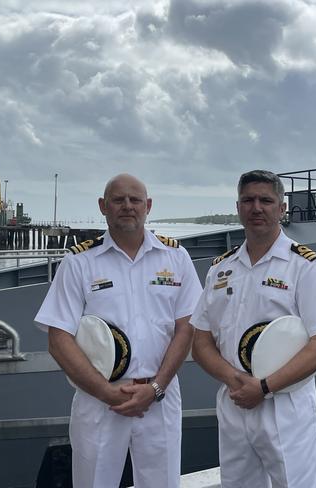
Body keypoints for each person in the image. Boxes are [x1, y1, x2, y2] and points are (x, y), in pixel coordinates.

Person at [34, 173, 202, 488]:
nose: (127, 206)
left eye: (135, 200)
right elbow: (59, 338)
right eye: (118, 200)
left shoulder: (175, 257)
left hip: (159, 396)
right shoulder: (79, 262)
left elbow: (186, 327)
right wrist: (106, 392)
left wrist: (155, 388)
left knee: (162, 483)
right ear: (103, 206)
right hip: (99, 399)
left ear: (148, 206)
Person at [191, 169, 316, 487]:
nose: (256, 208)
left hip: (284, 405)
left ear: (282, 208)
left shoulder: (304, 266)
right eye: (248, 200)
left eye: (265, 200)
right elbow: (201, 342)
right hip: (236, 401)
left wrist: (263, 387)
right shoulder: (220, 269)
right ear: (238, 207)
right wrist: (237, 381)